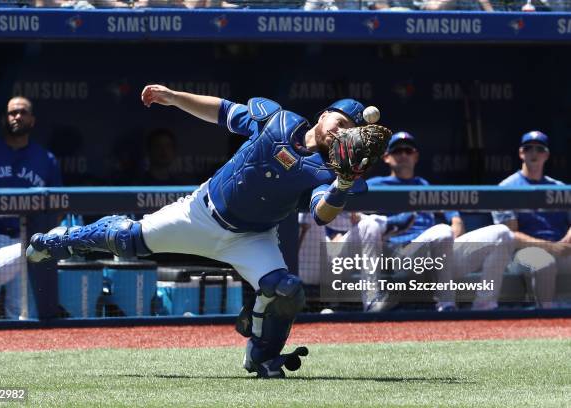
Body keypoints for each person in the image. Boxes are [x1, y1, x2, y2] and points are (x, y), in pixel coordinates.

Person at [26, 84, 391, 378]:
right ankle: (59, 242)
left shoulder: (330, 173)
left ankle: (261, 356)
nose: (344, 135)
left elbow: (322, 214)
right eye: (341, 125)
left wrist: (343, 183)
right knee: (127, 240)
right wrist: (173, 98)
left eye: (351, 134)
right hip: (200, 213)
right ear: (325, 114)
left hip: (253, 237)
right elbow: (221, 111)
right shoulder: (277, 121)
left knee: (288, 290)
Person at [326, 132, 514, 312]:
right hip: (402, 257)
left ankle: (484, 307)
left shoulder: (425, 186)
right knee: (440, 231)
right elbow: (348, 210)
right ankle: (446, 305)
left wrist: (451, 233)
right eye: (397, 151)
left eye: (408, 151)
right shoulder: (375, 184)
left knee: (502, 233)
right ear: (387, 158)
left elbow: (456, 223)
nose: (403, 155)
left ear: (416, 156)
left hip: (438, 256)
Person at [0, 96, 62, 319]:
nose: (17, 116)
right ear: (3, 119)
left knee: (23, 313)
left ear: (32, 120)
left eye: (23, 112)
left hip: (26, 241)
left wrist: (41, 237)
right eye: (12, 112)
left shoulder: (46, 159)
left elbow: (58, 205)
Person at [493, 131, 571, 308]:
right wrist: (551, 247)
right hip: (522, 254)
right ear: (521, 153)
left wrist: (566, 241)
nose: (533, 153)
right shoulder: (507, 187)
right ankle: (546, 321)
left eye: (539, 149)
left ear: (546, 154)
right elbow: (511, 235)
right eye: (528, 148)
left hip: (561, 248)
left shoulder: (558, 187)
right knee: (544, 262)